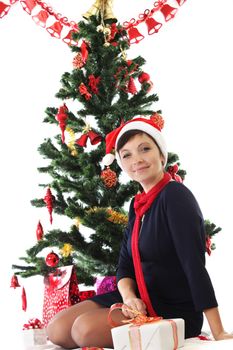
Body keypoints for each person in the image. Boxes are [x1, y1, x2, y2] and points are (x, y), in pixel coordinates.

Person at [47, 116, 233, 349]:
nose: (137, 160)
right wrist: (129, 298)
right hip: (138, 300)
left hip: (171, 307)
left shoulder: (175, 196)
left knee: (83, 330)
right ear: (122, 164)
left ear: (161, 155)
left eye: (145, 149)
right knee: (57, 329)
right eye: (127, 155)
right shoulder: (137, 207)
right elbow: (124, 266)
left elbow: (193, 265)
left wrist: (218, 330)